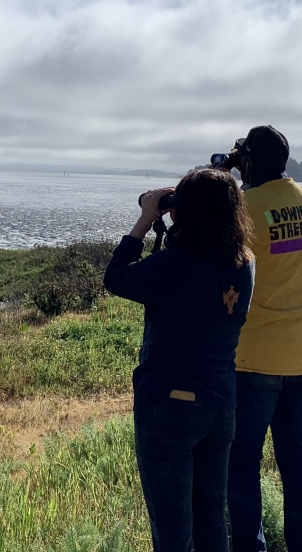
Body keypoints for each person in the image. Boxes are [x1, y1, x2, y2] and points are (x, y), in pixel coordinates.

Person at [103, 168, 255, 551]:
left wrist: (145, 219)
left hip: (168, 405)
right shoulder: (244, 262)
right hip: (221, 401)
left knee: (172, 528)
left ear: (184, 211)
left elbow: (116, 278)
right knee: (211, 520)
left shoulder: (175, 264)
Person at [225, 126, 302, 552]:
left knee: (242, 462)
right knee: (296, 460)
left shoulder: (245, 207)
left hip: (258, 357)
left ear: (247, 161)